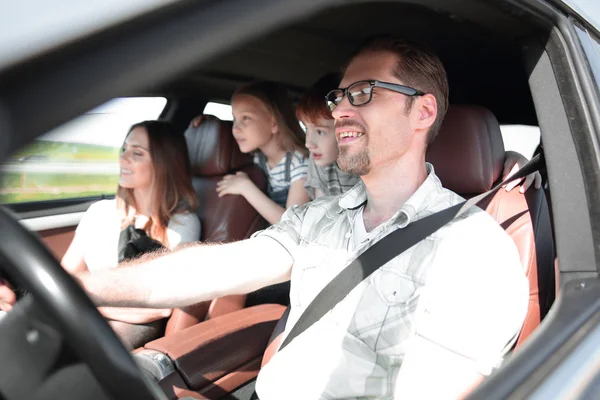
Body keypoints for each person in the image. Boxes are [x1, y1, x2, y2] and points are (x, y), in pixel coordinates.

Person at [76, 36, 529, 399]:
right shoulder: (317, 217)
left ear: (423, 111)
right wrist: (83, 290)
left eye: (363, 93)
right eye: (339, 98)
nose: (340, 112)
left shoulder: (472, 247)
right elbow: (216, 267)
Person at [62, 120, 201, 348]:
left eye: (137, 153)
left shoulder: (181, 224)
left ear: (163, 163)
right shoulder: (99, 212)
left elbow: (160, 305)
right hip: (84, 315)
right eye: (124, 149)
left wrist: (82, 298)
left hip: (118, 331)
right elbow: (65, 276)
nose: (122, 159)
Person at [299, 74, 540, 200]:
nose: (308, 143)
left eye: (320, 131)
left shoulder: (406, 174)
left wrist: (508, 159)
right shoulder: (320, 167)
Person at [193, 82, 310, 225]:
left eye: (245, 118)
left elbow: (292, 225)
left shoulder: (300, 162)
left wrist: (246, 187)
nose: (235, 128)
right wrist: (211, 125)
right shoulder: (258, 157)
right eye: (234, 119)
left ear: (274, 123)